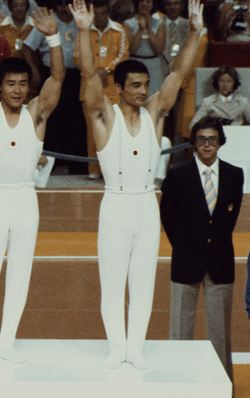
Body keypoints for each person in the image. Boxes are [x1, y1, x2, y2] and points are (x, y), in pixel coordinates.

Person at [73, 0, 204, 369]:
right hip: (115, 204)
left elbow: (179, 72)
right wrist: (83, 31)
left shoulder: (154, 114)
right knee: (113, 281)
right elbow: (86, 75)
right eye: (135, 85)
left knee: (144, 280)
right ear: (117, 87)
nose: (143, 90)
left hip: (147, 204)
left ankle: (136, 347)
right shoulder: (104, 115)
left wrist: (196, 32)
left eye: (146, 84)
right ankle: (117, 347)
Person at [0, 6, 63, 364]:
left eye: (22, 84)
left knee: (19, 274)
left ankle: (7, 342)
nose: (17, 90)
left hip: (25, 201)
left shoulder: (37, 114)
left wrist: (53, 38)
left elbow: (57, 80)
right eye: (11, 84)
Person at [160, 116, 243, 381]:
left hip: (220, 262)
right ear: (194, 143)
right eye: (201, 140)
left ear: (221, 142)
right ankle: (179, 384)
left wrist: (210, 245)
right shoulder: (177, 175)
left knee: (221, 334)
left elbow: (228, 218)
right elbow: (168, 217)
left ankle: (222, 389)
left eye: (212, 140)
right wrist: (186, 246)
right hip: (185, 261)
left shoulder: (234, 175)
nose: (207, 145)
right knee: (180, 331)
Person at [23, 0, 86, 175]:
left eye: (67, 5)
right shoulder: (48, 21)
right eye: (61, 4)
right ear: (56, 6)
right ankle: (50, 166)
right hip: (50, 75)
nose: (64, 9)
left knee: (76, 121)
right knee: (51, 120)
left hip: (75, 78)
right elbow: (27, 47)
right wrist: (34, 70)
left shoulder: (80, 22)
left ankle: (77, 167)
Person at [73, 0, 129, 177]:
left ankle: (112, 170)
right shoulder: (84, 30)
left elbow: (123, 54)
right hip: (89, 88)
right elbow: (77, 56)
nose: (99, 17)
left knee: (115, 127)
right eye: (96, 14)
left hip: (113, 88)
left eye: (103, 13)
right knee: (92, 129)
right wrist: (93, 73)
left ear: (108, 12)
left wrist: (107, 70)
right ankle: (94, 170)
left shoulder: (119, 31)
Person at [123, 0, 165, 96]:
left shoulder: (159, 23)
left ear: (152, 4)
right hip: (135, 63)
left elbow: (159, 49)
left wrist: (149, 30)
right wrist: (141, 30)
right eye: (142, 1)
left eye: (148, 1)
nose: (144, 4)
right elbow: (131, 49)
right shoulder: (128, 23)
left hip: (153, 65)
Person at [190, 65, 250, 130]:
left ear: (234, 83)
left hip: (236, 135)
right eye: (221, 81)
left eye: (228, 81)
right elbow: (193, 125)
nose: (225, 85)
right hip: (216, 135)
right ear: (216, 82)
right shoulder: (208, 101)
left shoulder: (243, 101)